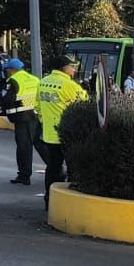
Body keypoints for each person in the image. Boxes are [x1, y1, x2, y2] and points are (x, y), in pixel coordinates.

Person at [37, 56, 87, 206]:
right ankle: (69, 202)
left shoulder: (42, 82)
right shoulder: (70, 85)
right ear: (64, 68)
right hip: (67, 134)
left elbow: (38, 108)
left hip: (49, 135)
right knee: (73, 168)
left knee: (53, 168)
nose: (74, 70)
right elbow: (84, 106)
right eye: (72, 66)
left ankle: (50, 200)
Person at [0, 58, 45, 186]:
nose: (6, 72)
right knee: (40, 144)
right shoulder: (35, 79)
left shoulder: (13, 81)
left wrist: (3, 107)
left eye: (7, 69)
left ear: (12, 70)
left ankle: (24, 175)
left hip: (22, 117)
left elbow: (7, 99)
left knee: (24, 147)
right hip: (35, 116)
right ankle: (57, 169)